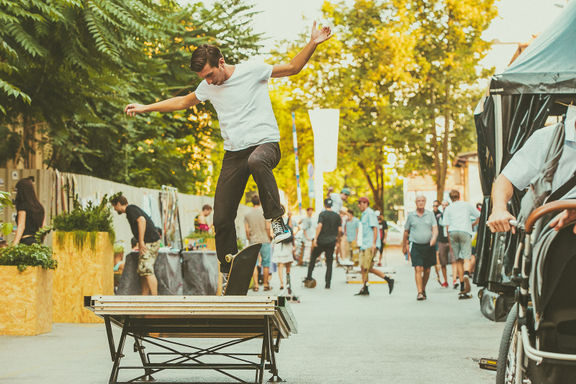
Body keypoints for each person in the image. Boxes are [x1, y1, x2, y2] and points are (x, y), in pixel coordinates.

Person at [124, 23, 332, 280]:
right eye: (204, 78)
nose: (209, 81)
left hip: (264, 145)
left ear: (221, 62)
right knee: (221, 219)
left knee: (257, 161)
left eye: (211, 74)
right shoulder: (207, 87)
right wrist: (145, 107)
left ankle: (277, 220)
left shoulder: (253, 70)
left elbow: (292, 68)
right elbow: (182, 102)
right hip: (234, 154)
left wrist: (312, 42)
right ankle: (228, 271)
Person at [111, 195, 162, 295]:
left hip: (149, 242)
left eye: (114, 206)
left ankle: (156, 299)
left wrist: (141, 241)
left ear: (118, 204)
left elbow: (141, 220)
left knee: (147, 270)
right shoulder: (131, 209)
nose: (114, 209)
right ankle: (144, 296)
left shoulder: (130, 209)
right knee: (143, 270)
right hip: (152, 241)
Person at [442, 190, 480, 299]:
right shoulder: (466, 205)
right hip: (465, 231)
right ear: (459, 196)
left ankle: (462, 284)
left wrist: (449, 240)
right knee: (466, 257)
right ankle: (467, 273)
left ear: (450, 198)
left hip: (453, 232)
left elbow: (446, 225)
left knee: (458, 259)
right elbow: (479, 215)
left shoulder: (448, 208)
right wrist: (473, 224)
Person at [355, 197, 395, 296]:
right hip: (364, 245)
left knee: (367, 267)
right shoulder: (364, 214)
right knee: (364, 267)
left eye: (360, 204)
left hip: (370, 244)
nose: (359, 206)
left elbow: (375, 229)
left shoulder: (370, 213)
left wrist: (373, 243)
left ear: (365, 203)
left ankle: (387, 280)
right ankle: (366, 287)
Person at [402, 195, 437, 301]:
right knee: (418, 268)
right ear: (415, 202)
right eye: (418, 201)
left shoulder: (430, 215)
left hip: (428, 245)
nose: (420, 203)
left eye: (422, 201)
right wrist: (404, 245)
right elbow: (406, 231)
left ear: (425, 202)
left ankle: (423, 287)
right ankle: (420, 292)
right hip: (416, 245)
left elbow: (435, 229)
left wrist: (434, 238)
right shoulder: (411, 216)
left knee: (427, 270)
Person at [304, 198, 341, 289]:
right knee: (329, 262)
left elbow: (319, 226)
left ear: (325, 205)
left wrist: (315, 239)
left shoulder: (322, 214)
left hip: (321, 241)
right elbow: (340, 230)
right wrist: (337, 240)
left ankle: (309, 277)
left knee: (313, 259)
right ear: (331, 205)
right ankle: (328, 283)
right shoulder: (337, 216)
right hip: (331, 241)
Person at [244, 195, 272, 291]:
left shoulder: (247, 214)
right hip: (265, 240)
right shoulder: (265, 212)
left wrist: (249, 238)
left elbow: (247, 230)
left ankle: (256, 285)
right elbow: (268, 227)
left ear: (252, 202)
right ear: (260, 202)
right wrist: (269, 237)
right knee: (266, 263)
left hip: (253, 241)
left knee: (254, 264)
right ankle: (265, 284)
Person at [13, 178, 45, 245]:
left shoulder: (23, 206)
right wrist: (39, 242)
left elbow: (21, 226)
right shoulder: (40, 207)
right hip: (37, 243)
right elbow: (44, 228)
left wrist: (13, 245)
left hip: (25, 242)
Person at [432, 200, 449, 287]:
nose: (435, 207)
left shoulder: (441, 214)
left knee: (453, 260)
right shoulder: (432, 215)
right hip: (437, 240)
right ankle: (440, 277)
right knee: (438, 259)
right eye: (433, 206)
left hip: (446, 239)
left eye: (436, 206)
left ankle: (454, 280)